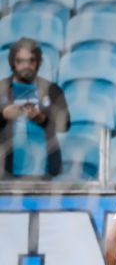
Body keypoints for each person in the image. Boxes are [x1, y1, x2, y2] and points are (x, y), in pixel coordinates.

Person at [0, 38, 69, 179]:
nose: (26, 66)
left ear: (38, 63)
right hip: (6, 172)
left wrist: (42, 119)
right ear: (13, 63)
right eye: (21, 61)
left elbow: (65, 125)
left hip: (44, 172)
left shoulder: (52, 90)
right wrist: (4, 116)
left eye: (31, 61)